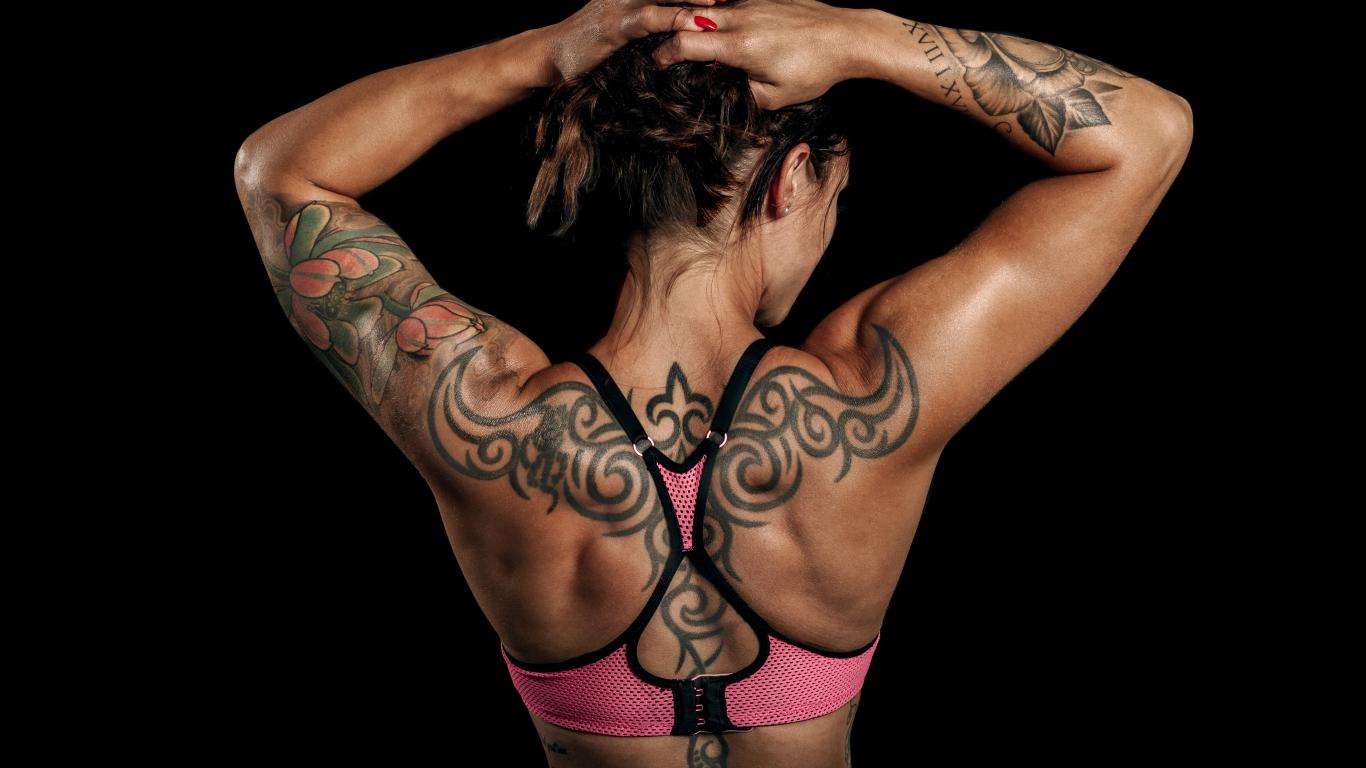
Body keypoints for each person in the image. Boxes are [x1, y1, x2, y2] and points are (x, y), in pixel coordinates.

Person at [234, 1, 1192, 765]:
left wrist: (545, 53)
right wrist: (857, 36)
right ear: (793, 180)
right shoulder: (874, 396)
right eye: (836, 197)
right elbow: (1147, 132)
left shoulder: (485, 411)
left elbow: (280, 172)